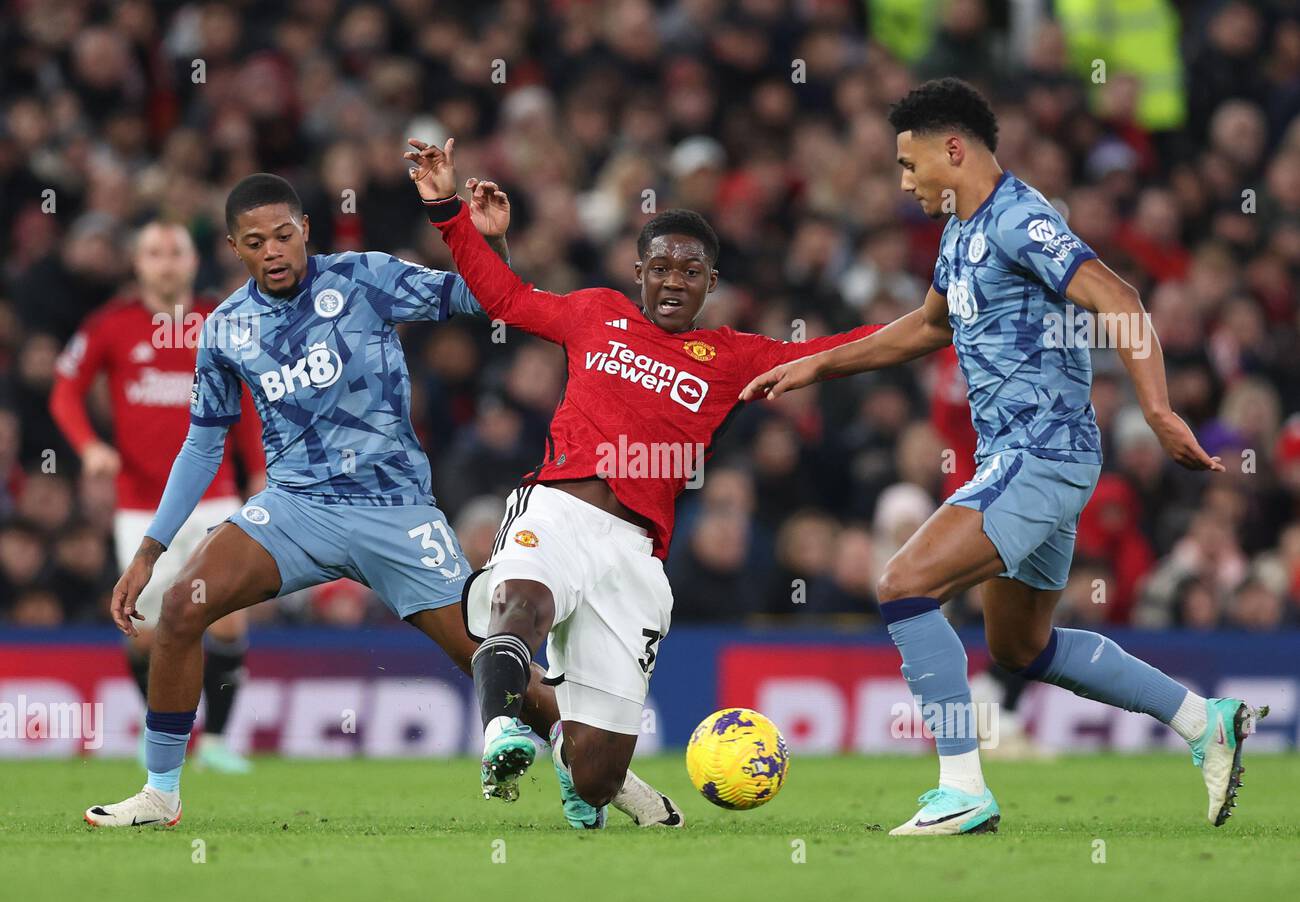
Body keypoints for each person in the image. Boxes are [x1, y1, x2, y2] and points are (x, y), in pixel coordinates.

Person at [741, 78, 1269, 834]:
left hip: (1040, 452)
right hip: (1023, 460)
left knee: (903, 582)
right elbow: (926, 328)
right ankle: (1202, 720)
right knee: (1020, 646)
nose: (903, 180)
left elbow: (1117, 298)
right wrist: (819, 363)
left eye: (908, 162)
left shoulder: (1022, 219)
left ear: (953, 149)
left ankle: (962, 790)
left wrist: (1157, 410)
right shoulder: (961, 234)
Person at [83, 173, 676, 829]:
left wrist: (491, 245)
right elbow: (202, 446)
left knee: (485, 655)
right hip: (295, 509)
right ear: (233, 247)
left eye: (284, 235)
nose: (273, 250)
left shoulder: (365, 277)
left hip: (395, 511)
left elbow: (484, 301)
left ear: (305, 229)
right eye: (256, 242)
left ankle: (601, 773)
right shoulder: (226, 329)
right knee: (181, 602)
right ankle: (160, 792)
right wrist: (149, 550)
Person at [404, 136, 882, 828]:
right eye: (660, 267)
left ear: (710, 284)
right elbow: (504, 298)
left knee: (598, 777)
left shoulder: (731, 359)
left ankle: (576, 768)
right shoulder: (595, 314)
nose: (673, 282)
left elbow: (830, 352)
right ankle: (504, 730)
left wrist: (937, 318)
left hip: (635, 557)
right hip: (557, 509)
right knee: (520, 599)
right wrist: (448, 210)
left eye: (690, 272)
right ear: (639, 272)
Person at [51, 221, 263, 774]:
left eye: (176, 252)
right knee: (146, 635)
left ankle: (216, 740)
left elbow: (247, 401)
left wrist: (259, 470)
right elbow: (64, 390)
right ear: (138, 264)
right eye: (154, 253)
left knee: (228, 615)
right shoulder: (111, 325)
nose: (166, 263)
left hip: (215, 496)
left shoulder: (221, 320)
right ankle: (172, 732)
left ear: (194, 262)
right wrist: (89, 446)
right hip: (141, 507)